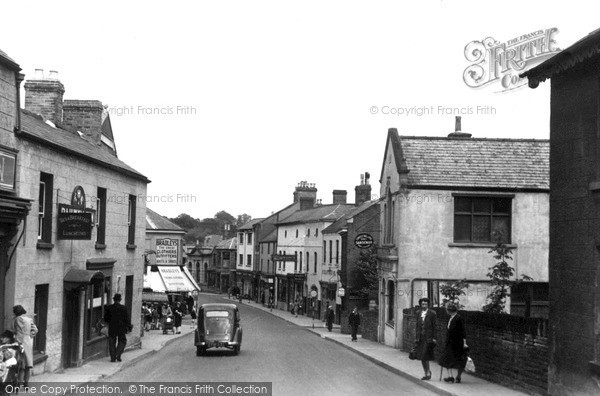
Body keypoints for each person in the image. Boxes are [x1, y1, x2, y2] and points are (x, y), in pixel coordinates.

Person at [439, 303, 468, 384]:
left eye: (447, 310)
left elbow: (463, 332)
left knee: (460, 360)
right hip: (450, 343)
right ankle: (450, 377)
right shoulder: (450, 318)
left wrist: (464, 342)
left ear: (449, 310)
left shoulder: (459, 318)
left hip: (458, 343)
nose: (446, 311)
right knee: (447, 359)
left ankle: (458, 376)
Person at [11, 305, 37, 387]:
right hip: (28, 341)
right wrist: (30, 335)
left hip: (20, 342)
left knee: (21, 364)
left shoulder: (18, 319)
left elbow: (17, 330)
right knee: (28, 364)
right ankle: (26, 383)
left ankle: (19, 383)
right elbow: (35, 330)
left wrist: (18, 341)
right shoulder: (28, 319)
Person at [103, 294, 131, 362]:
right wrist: (129, 327)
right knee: (122, 341)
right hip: (121, 328)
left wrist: (109, 322)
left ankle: (113, 357)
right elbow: (127, 319)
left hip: (112, 327)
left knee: (112, 342)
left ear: (114, 299)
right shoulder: (124, 308)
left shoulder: (109, 308)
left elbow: (106, 318)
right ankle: (118, 354)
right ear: (120, 300)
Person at [415, 298, 437, 380]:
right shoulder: (418, 313)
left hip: (428, 338)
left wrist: (434, 337)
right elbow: (417, 326)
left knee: (425, 355)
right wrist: (416, 337)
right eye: (422, 304)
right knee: (421, 356)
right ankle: (426, 372)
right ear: (420, 304)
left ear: (428, 305)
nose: (424, 305)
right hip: (420, 337)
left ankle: (428, 372)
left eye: (425, 304)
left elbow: (435, 326)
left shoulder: (432, 313)